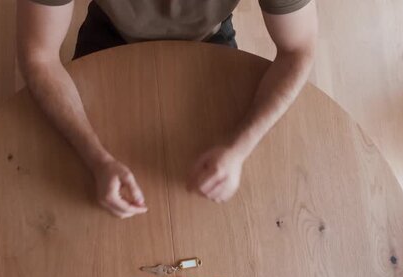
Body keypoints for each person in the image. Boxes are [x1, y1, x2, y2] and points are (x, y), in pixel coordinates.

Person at [17, 0, 318, 218]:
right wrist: (95, 156)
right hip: (110, 33)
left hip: (209, 39)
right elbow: (39, 56)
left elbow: (299, 49)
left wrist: (239, 148)